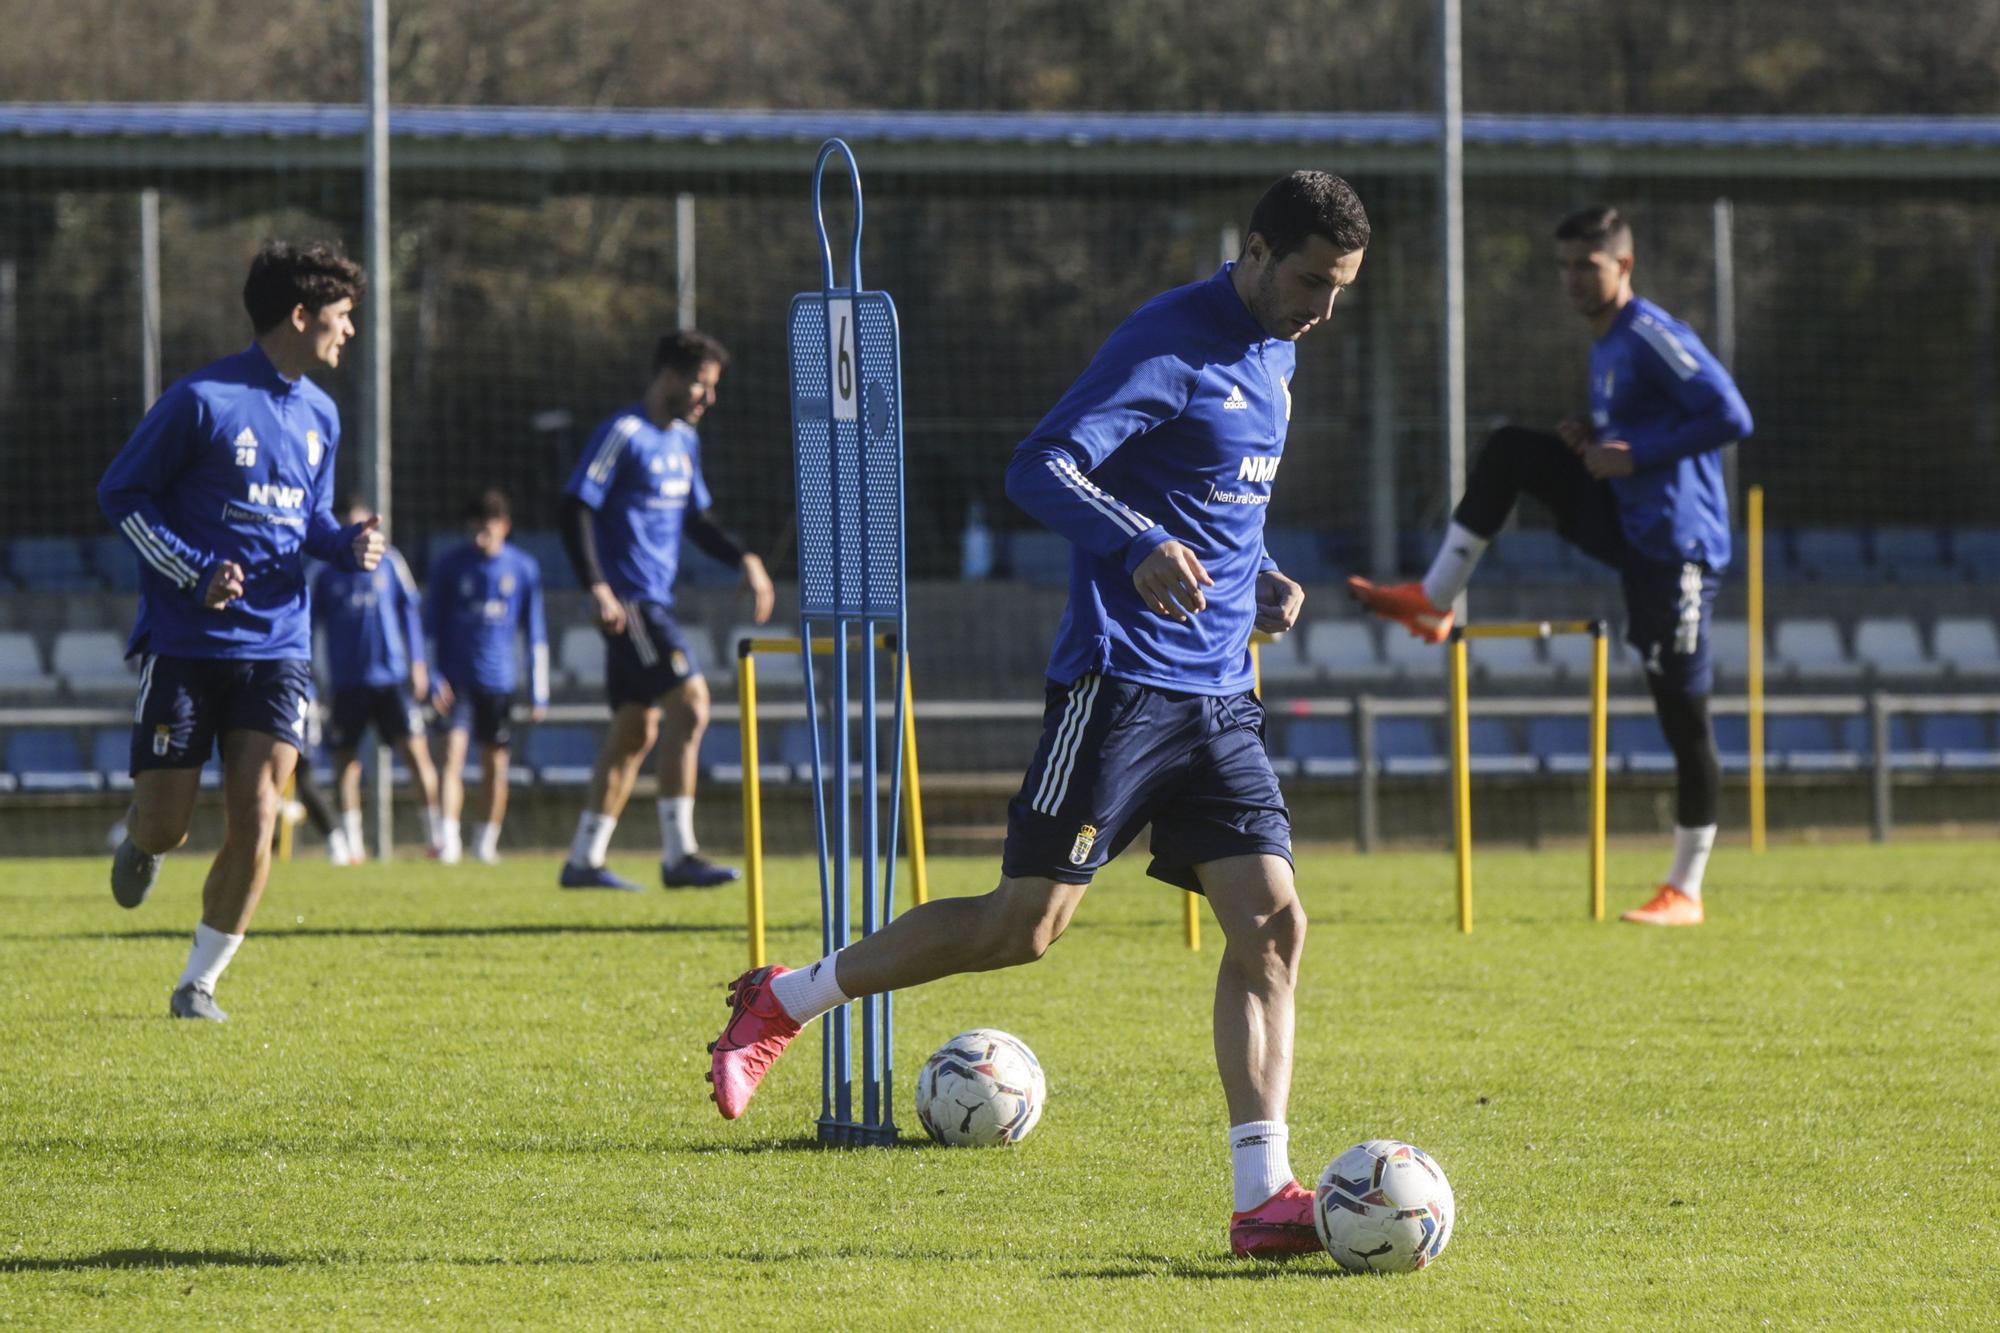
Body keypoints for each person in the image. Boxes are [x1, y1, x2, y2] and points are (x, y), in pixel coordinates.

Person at [707, 172, 1368, 1259]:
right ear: (1252, 250)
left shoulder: (1280, 345)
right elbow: (1041, 464)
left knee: (1273, 924)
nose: (1321, 308)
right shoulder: (1169, 339)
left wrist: (1257, 575)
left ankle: (1262, 1196)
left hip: (1218, 695)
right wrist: (1136, 546)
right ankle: (785, 997)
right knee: (1024, 927)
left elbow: (1210, 494)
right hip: (1118, 684)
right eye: (1307, 281)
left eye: (1338, 289)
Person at [1348, 205, 1753, 927]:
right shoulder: (1605, 347)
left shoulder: (1652, 334)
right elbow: (1641, 428)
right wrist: (1596, 434)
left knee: (1684, 716)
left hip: (1676, 548)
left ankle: (1685, 888)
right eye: (1563, 266)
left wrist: (1634, 453)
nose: (1571, 280)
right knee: (1512, 450)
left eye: (1586, 266)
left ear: (1622, 266)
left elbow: (1730, 415)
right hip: (1628, 524)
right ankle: (1435, 597)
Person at [99, 239, 383, 1021]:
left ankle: (200, 982)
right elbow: (121, 493)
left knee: (260, 809)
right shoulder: (202, 400)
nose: (349, 331)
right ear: (301, 315)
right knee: (168, 821)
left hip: (279, 648)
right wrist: (194, 570)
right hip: (187, 647)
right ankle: (144, 842)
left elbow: (310, 523)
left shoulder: (323, 414)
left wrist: (346, 543)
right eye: (342, 315)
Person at [555, 330, 774, 892]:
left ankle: (583, 860)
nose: (709, 399)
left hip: (654, 599)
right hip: (631, 601)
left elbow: (696, 520)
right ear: (672, 377)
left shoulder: (684, 442)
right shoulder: (623, 433)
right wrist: (598, 587)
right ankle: (681, 854)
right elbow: (575, 505)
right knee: (693, 705)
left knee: (636, 727)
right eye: (703, 385)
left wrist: (745, 558)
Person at [312, 498, 442, 861]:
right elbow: (308, 623)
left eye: (363, 526)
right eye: (350, 528)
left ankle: (438, 838)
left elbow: (410, 613)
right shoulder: (325, 572)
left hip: (392, 678)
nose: (359, 535)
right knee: (345, 763)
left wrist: (418, 664)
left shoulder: (391, 562)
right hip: (347, 682)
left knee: (416, 753)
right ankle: (352, 844)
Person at [425, 489, 549, 865]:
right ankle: (448, 840)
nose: (480, 536)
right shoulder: (449, 565)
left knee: (496, 766)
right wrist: (432, 675)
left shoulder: (523, 568)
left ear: (504, 527)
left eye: (488, 528)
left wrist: (538, 690)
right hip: (455, 682)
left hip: (499, 683)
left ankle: (486, 842)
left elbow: (535, 631)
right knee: (452, 760)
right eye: (474, 528)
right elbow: (429, 626)